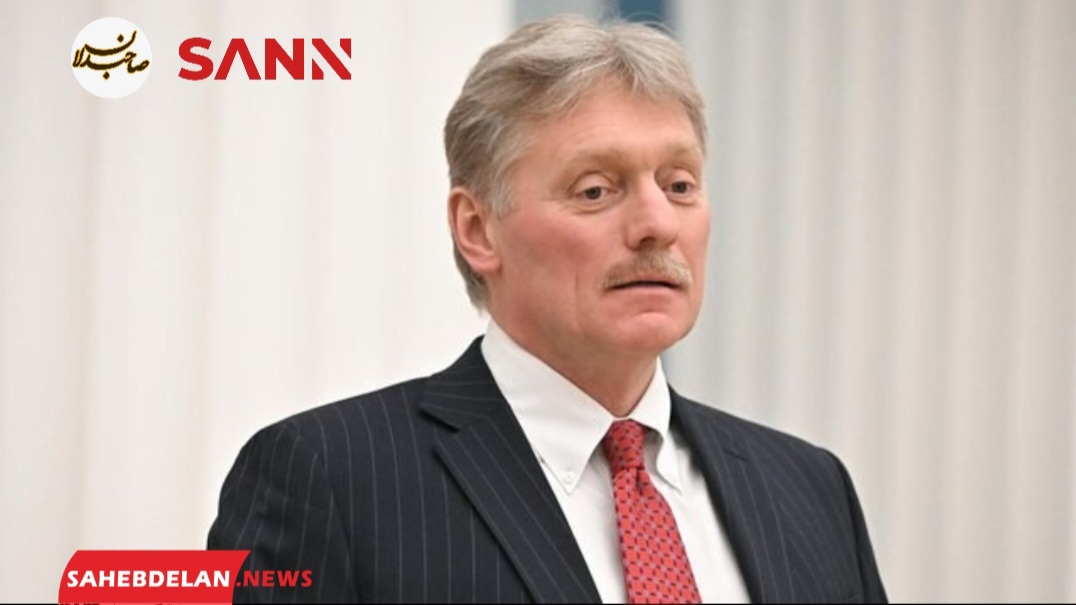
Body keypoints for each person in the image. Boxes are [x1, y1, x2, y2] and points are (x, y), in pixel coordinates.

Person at [208, 15, 887, 604]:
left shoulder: (809, 487)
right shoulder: (329, 474)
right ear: (478, 229)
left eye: (680, 185)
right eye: (595, 190)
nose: (657, 223)